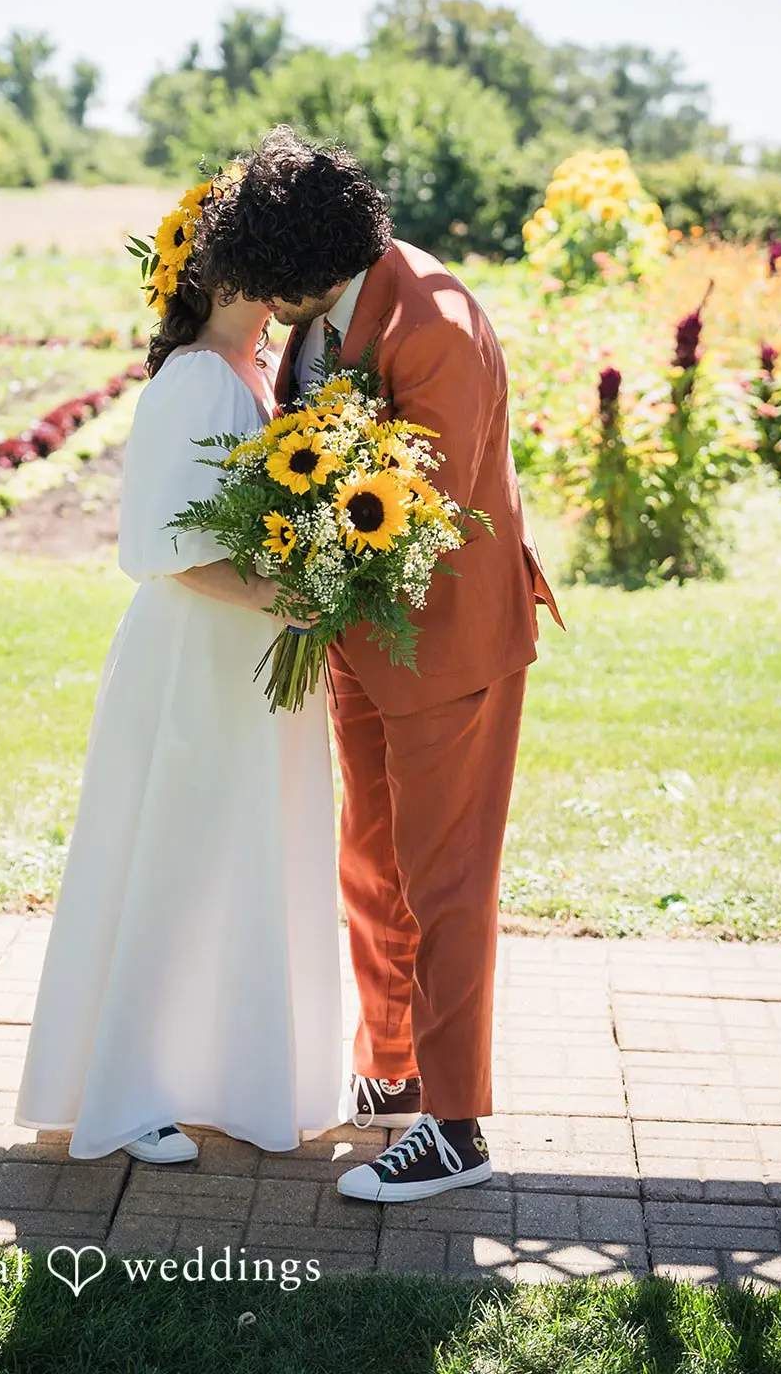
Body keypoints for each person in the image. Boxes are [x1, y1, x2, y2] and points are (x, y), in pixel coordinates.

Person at [193, 127, 563, 1203]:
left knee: (444, 882)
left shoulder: (434, 319)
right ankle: (392, 1070)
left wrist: (299, 566)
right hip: (359, 636)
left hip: (446, 642)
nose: (262, 299)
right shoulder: (323, 312)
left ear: (312, 263)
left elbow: (423, 519)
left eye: (269, 277)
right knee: (372, 867)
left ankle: (455, 1127)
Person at [14, 174, 347, 1161]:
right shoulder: (200, 378)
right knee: (171, 861)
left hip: (242, 670)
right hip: (193, 666)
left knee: (230, 863)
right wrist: (294, 598)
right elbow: (167, 546)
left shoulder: (255, 375)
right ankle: (128, 1091)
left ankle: (218, 1073)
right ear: (246, 267)